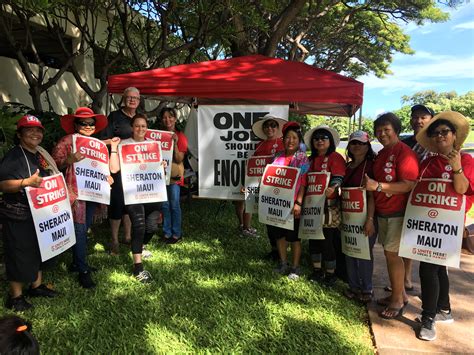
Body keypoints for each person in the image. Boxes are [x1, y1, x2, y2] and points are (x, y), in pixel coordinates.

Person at [414, 111, 473, 341]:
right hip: (427, 223)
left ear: (454, 135)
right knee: (438, 267)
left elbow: (461, 190)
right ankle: (444, 310)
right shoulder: (428, 162)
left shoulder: (466, 160)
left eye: (444, 132)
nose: (440, 136)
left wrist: (456, 166)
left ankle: (428, 318)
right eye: (435, 133)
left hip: (449, 225)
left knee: (428, 268)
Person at [0, 115, 59, 311]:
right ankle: (15, 297)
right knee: (18, 253)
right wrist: (26, 182)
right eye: (29, 130)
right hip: (18, 214)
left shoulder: (39, 154)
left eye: (38, 130)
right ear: (19, 134)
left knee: (38, 250)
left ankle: (36, 286)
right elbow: (3, 185)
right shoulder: (14, 157)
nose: (35, 133)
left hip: (39, 213)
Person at [363, 112, 419, 319]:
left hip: (399, 212)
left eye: (386, 130)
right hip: (383, 213)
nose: (382, 134)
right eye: (378, 130)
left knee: (393, 256)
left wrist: (378, 185)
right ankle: (400, 294)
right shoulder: (382, 154)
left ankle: (397, 300)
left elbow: (408, 184)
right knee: (390, 255)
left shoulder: (405, 153)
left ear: (396, 130)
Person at [52, 107, 110, 289]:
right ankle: (83, 270)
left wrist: (106, 177)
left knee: (84, 229)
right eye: (83, 123)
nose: (87, 126)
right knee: (79, 230)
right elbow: (52, 164)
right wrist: (69, 160)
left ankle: (77, 263)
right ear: (75, 124)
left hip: (92, 192)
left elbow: (100, 168)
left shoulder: (97, 144)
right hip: (76, 194)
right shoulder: (68, 140)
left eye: (91, 123)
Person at [109, 114, 163, 283]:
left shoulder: (153, 146)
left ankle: (141, 245)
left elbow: (158, 167)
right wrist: (114, 149)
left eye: (144, 126)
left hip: (153, 192)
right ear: (132, 127)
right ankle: (138, 267)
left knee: (152, 226)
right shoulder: (124, 145)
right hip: (133, 193)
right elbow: (114, 168)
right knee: (138, 225)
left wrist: (162, 165)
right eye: (137, 126)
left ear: (147, 128)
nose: (140, 129)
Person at [388, 104, 434, 293]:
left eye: (423, 117)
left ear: (431, 119)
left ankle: (435, 295)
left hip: (428, 199)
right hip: (405, 196)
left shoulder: (437, 142)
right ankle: (405, 278)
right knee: (406, 239)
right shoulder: (406, 143)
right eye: (415, 117)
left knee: (429, 246)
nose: (418, 120)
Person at [99, 87, 141, 254]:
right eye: (129, 97)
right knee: (117, 203)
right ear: (124, 98)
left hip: (136, 168)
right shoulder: (114, 117)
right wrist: (115, 143)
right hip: (117, 167)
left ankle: (128, 236)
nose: (132, 100)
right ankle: (115, 240)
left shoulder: (140, 118)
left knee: (131, 202)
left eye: (135, 98)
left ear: (139, 100)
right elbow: (103, 141)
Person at [305, 125, 346, 286]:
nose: (319, 141)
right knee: (313, 239)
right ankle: (316, 271)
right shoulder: (309, 160)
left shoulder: (335, 157)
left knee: (327, 241)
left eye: (323, 137)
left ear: (330, 141)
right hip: (311, 206)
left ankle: (330, 274)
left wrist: (333, 188)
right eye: (316, 138)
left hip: (329, 207)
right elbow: (301, 178)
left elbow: (339, 177)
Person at [271, 121, 309, 280]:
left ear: (299, 140)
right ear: (283, 139)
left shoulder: (301, 158)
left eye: (294, 138)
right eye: (287, 137)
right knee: (279, 235)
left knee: (293, 237)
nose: (290, 141)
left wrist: (298, 203)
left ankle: (295, 267)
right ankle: (283, 262)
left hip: (293, 205)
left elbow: (303, 182)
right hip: (277, 203)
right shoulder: (277, 156)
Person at [342, 131, 377, 303]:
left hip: (365, 215)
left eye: (361, 143)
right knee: (350, 251)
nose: (356, 146)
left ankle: (367, 288)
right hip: (348, 216)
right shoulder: (347, 166)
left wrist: (370, 220)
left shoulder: (371, 166)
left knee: (364, 253)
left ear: (367, 146)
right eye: (353, 143)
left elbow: (371, 196)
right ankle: (353, 286)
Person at [248, 114, 285, 254]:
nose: (269, 128)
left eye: (272, 125)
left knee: (279, 221)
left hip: (280, 188)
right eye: (266, 125)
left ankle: (283, 251)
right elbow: (254, 168)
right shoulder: (260, 145)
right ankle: (274, 250)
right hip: (264, 188)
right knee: (268, 220)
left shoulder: (283, 143)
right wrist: (249, 186)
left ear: (277, 128)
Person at [159, 107, 188, 244]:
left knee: (174, 205)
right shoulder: (157, 136)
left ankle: (176, 233)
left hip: (174, 179)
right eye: (164, 117)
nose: (167, 120)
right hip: (161, 178)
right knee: (164, 205)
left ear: (175, 119)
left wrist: (175, 142)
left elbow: (179, 159)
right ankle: (167, 232)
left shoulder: (180, 136)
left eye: (170, 117)